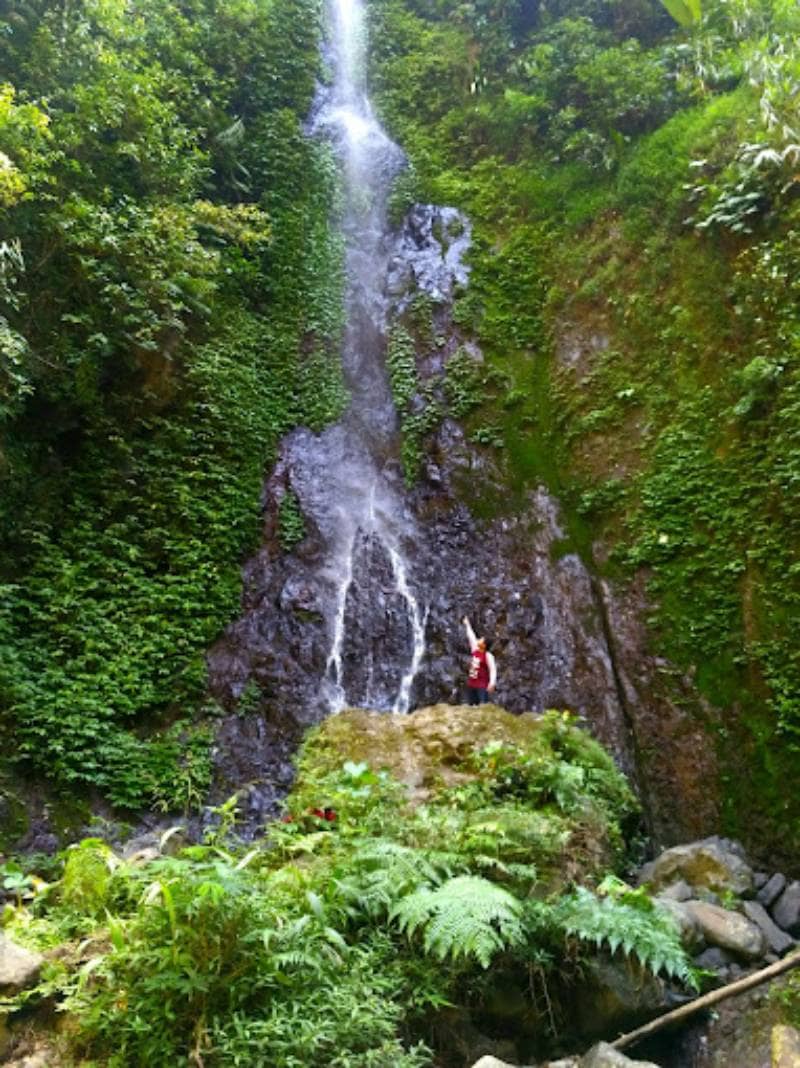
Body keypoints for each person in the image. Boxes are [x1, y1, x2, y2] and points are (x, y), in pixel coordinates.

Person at [463, 616, 496, 705]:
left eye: (481, 639)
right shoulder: (475, 650)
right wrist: (467, 625)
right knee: (470, 705)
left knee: (482, 705)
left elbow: (492, 670)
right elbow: (471, 637)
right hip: (471, 683)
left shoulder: (488, 656)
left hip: (482, 685)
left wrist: (492, 683)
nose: (479, 640)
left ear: (484, 645)